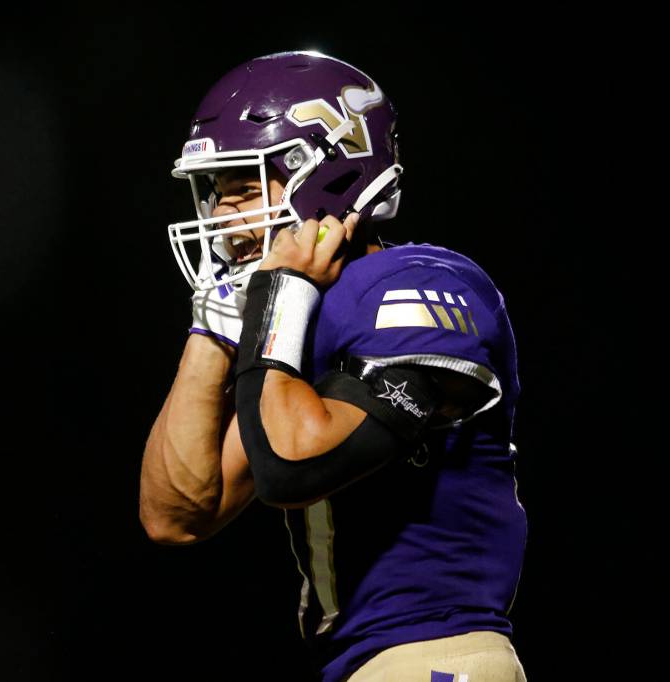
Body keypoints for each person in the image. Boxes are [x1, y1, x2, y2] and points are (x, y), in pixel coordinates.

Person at [139, 51, 528, 682]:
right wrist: (210, 330)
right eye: (214, 191)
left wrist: (277, 302)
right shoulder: (299, 320)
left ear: (324, 177)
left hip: (433, 652)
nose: (217, 214)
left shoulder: (421, 285)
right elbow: (178, 513)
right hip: (362, 663)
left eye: (241, 185)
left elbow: (295, 463)